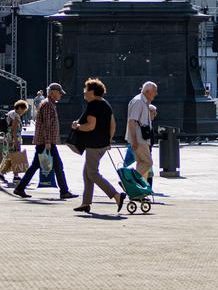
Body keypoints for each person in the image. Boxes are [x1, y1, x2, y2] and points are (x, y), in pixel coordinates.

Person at [71, 79, 125, 214]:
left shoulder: (93, 105)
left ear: (93, 92)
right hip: (103, 144)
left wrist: (77, 126)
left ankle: (116, 195)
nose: (84, 91)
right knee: (87, 173)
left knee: (92, 173)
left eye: (86, 89)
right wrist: (109, 141)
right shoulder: (106, 104)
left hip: (93, 144)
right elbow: (113, 124)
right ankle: (86, 203)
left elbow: (90, 126)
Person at [14, 83, 75, 200]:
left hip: (45, 142)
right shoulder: (47, 105)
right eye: (59, 93)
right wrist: (48, 142)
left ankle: (20, 188)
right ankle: (64, 191)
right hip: (46, 142)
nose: (61, 95)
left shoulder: (49, 104)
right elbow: (46, 125)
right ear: (53, 92)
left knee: (37, 166)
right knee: (57, 166)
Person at [126, 81, 158, 181]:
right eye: (154, 91)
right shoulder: (139, 101)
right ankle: (128, 180)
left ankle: (138, 193)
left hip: (141, 138)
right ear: (147, 91)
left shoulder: (143, 101)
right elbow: (131, 121)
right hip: (139, 139)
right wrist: (134, 140)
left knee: (141, 163)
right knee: (148, 163)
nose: (156, 94)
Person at [0, 99, 29, 185]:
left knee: (12, 157)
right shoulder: (15, 116)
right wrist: (16, 142)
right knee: (13, 157)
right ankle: (9, 175)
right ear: (19, 108)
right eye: (23, 110)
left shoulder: (11, 113)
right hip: (12, 139)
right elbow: (14, 130)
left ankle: (13, 176)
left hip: (8, 138)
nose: (23, 112)